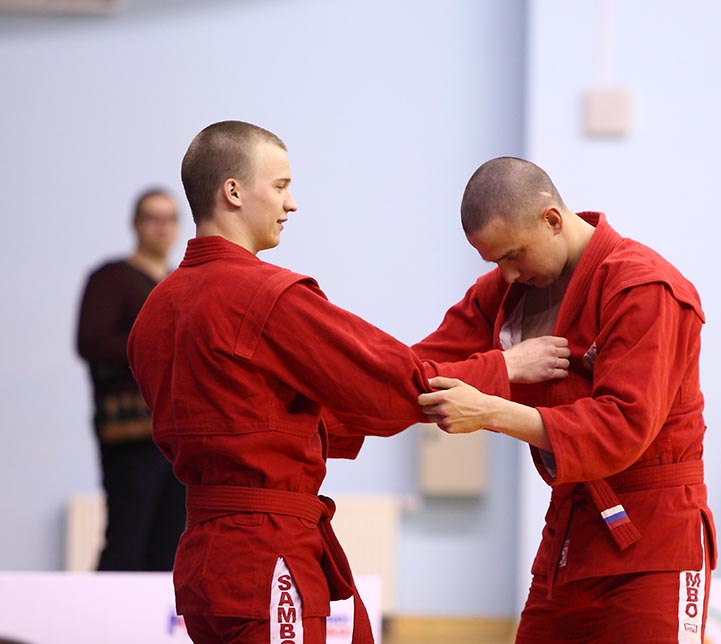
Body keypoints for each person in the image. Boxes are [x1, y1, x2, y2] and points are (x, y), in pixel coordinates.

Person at [126, 121, 562, 644]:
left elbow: (272, 417)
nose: (291, 205)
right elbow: (386, 382)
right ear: (233, 192)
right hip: (268, 551)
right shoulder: (266, 297)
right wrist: (503, 367)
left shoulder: (156, 311)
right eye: (281, 186)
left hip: (202, 557)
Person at [415, 157, 716, 644]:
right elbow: (421, 370)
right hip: (571, 537)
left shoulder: (645, 287)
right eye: (495, 263)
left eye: (513, 255)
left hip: (656, 537)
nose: (507, 275)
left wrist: (492, 409)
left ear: (552, 220)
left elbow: (621, 425)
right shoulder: (506, 292)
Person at [76, 187, 186, 572]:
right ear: (136, 224)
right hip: (130, 430)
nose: (161, 227)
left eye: (169, 219)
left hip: (177, 432)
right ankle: (103, 627)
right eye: (152, 218)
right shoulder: (111, 279)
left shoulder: (180, 282)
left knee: (172, 537)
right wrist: (161, 342)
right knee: (128, 533)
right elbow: (91, 342)